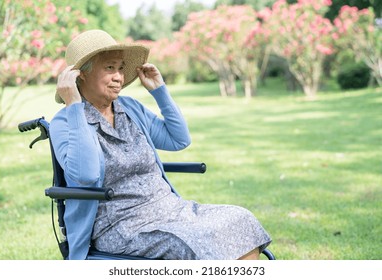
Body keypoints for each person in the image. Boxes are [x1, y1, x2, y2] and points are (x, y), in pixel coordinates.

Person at [50, 29, 271, 260]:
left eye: (121, 68)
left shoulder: (129, 108)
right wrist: (74, 106)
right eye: (109, 68)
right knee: (191, 243)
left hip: (169, 209)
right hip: (120, 226)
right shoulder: (65, 122)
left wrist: (159, 91)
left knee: (240, 219)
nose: (119, 77)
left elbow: (179, 139)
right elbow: (86, 174)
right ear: (80, 75)